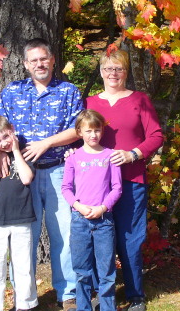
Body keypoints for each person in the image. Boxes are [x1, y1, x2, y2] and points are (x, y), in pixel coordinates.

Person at [0, 38, 83, 311]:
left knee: (64, 236)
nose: (39, 64)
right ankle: (24, 297)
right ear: (25, 64)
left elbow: (78, 129)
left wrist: (47, 143)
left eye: (43, 59)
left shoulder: (69, 91)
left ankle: (67, 293)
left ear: (53, 60)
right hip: (22, 176)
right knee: (23, 237)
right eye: (33, 60)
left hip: (58, 173)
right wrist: (1, 156)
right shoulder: (12, 92)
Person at [85, 49, 164, 311]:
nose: (113, 74)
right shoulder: (90, 103)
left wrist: (133, 154)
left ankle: (135, 295)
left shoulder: (140, 100)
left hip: (131, 180)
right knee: (99, 238)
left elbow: (156, 135)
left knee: (130, 237)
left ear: (126, 72)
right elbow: (78, 134)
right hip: (97, 184)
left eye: (118, 69)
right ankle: (101, 294)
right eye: (108, 69)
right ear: (101, 72)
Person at [62, 109, 122, 311]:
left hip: (104, 220)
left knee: (106, 271)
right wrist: (77, 205)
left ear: (102, 131)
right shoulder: (73, 157)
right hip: (80, 220)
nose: (93, 135)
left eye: (97, 130)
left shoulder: (110, 156)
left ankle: (107, 307)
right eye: (88, 131)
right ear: (79, 132)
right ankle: (83, 307)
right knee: (82, 270)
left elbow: (117, 188)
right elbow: (66, 188)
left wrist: (103, 207)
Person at [0, 115, 38, 311]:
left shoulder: (24, 151)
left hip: (21, 217)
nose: (3, 143)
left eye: (6, 136)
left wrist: (15, 150)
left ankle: (25, 304)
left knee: (22, 265)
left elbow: (27, 178)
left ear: (12, 130)